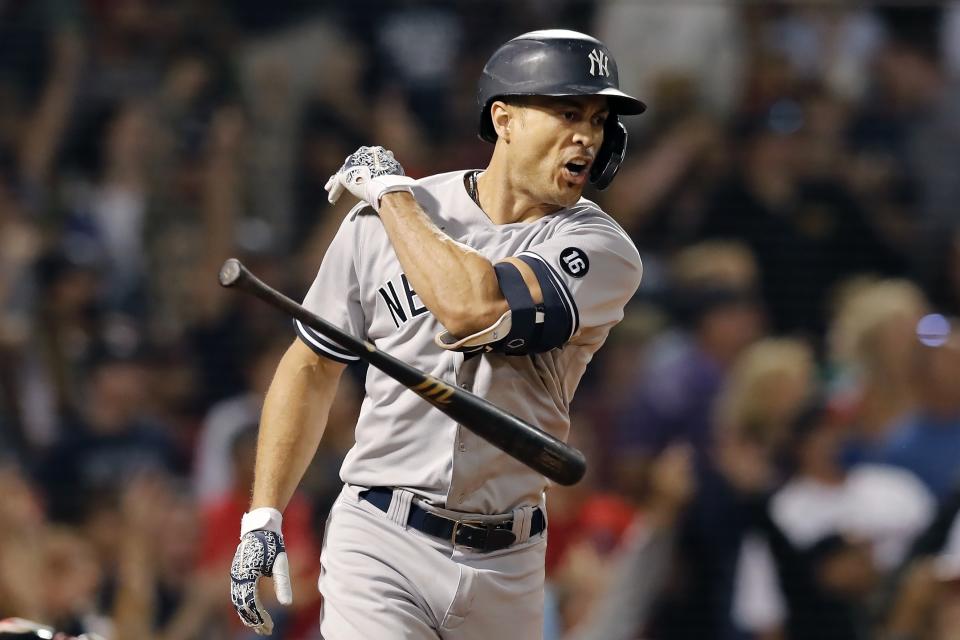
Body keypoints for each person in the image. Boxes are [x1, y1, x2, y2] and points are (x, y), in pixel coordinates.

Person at [228, 29, 646, 639]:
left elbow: (471, 307)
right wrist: (264, 513)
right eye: (566, 113)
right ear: (503, 119)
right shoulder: (383, 219)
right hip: (381, 540)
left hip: (508, 561)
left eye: (598, 119)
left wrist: (394, 196)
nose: (587, 135)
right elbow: (312, 364)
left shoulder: (601, 248)